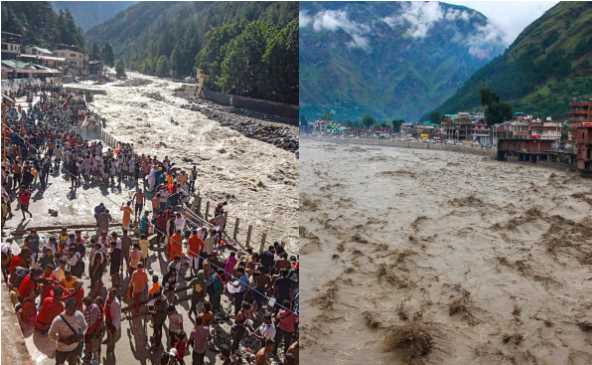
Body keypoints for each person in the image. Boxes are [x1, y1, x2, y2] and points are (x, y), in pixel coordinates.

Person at [48, 298, 88, 365]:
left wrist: (81, 334)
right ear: (65, 308)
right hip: (62, 349)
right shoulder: (58, 320)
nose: (72, 311)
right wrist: (61, 340)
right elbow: (50, 334)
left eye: (74, 309)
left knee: (72, 363)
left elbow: (85, 326)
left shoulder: (79, 315)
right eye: (70, 309)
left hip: (75, 348)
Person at [104, 288, 121, 354]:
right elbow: (106, 307)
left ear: (114, 295)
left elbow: (117, 317)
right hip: (108, 320)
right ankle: (108, 342)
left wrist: (113, 326)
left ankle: (111, 349)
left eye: (111, 294)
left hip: (112, 323)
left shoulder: (116, 303)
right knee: (109, 335)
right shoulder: (108, 298)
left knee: (112, 338)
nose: (110, 295)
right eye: (110, 293)